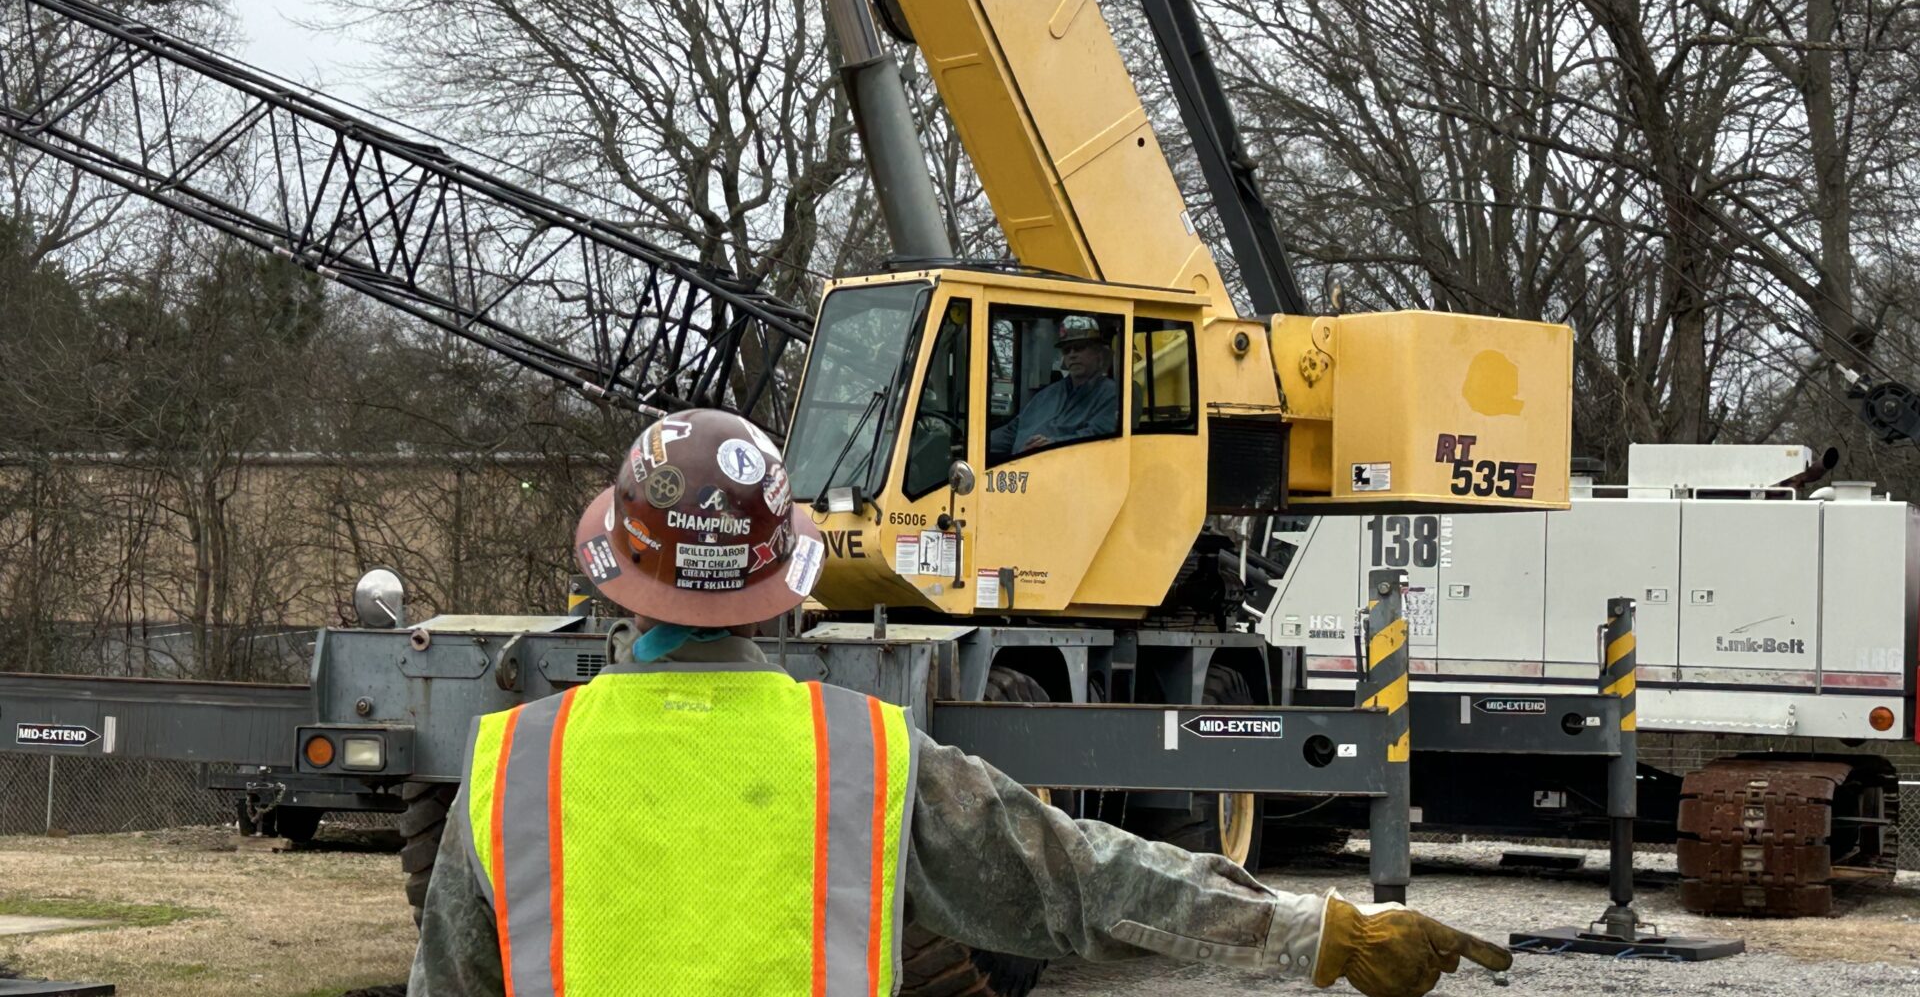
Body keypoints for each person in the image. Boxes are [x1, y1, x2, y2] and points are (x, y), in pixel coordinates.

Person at [409, 408, 1510, 997]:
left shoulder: (515, 767)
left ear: (615, 567)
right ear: (782, 584)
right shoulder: (865, 758)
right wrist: (1325, 931)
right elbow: (1090, 881)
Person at [989, 315, 1122, 457]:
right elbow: (1013, 430)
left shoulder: (1111, 394)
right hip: (1021, 467)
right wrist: (975, 443)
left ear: (1098, 353)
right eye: (1067, 350)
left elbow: (1099, 437)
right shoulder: (1048, 393)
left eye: (1079, 348)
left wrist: (1051, 445)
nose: (1072, 355)